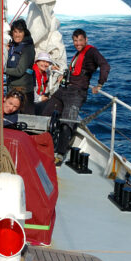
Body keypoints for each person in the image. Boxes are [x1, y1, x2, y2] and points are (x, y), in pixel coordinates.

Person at [42, 29, 110, 164]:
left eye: (80, 40)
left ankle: (60, 154)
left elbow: (105, 65)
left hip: (76, 93)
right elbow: (74, 70)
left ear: (86, 40)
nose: (77, 43)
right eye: (75, 40)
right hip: (64, 89)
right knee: (47, 113)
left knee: (67, 122)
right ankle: (43, 144)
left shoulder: (91, 52)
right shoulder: (79, 54)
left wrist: (100, 84)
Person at [5, 19, 35, 113]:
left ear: (24, 33)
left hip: (24, 92)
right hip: (12, 90)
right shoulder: (12, 46)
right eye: (15, 31)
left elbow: (19, 71)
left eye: (20, 32)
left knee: (27, 120)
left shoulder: (27, 49)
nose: (17, 35)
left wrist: (1, 70)